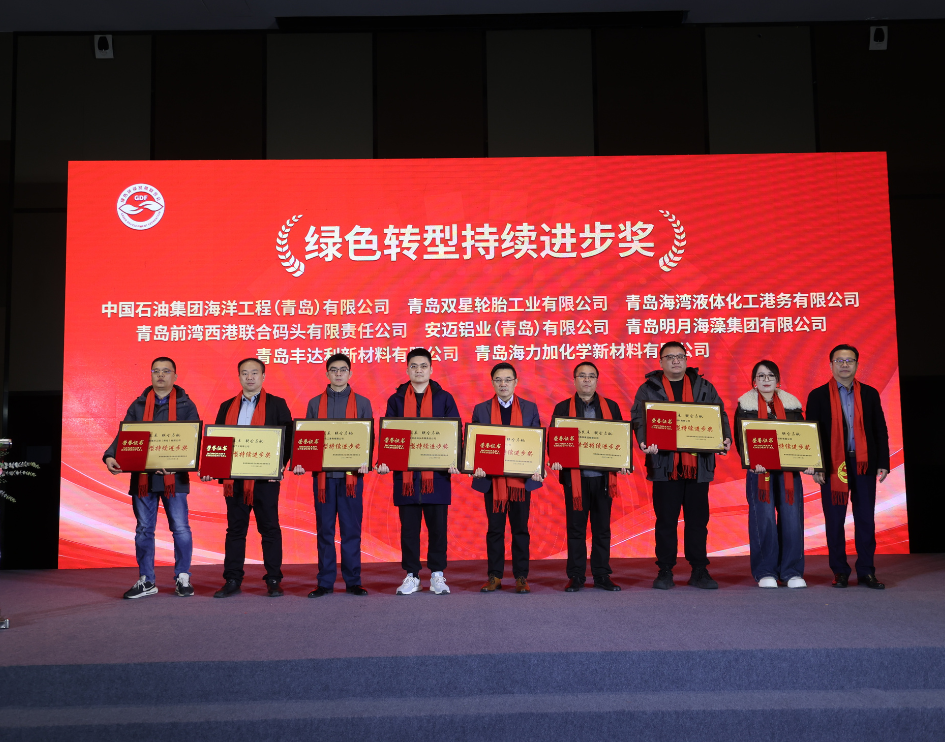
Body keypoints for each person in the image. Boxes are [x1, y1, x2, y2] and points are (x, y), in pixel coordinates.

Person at [631, 342, 731, 590]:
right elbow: (639, 419)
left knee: (698, 521)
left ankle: (699, 569)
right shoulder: (648, 389)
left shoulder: (704, 386)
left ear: (686, 360)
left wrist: (724, 438)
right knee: (666, 520)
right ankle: (665, 570)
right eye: (670, 357)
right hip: (664, 465)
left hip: (699, 465)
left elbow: (719, 415)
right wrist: (644, 441)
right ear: (660, 362)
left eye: (680, 356)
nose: (676, 361)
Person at [103, 357, 199, 599]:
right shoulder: (138, 405)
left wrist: (176, 464)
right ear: (151, 375)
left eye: (166, 371)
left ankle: (183, 577)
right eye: (156, 371)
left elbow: (193, 442)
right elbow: (125, 435)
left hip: (174, 479)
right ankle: (146, 580)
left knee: (181, 528)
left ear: (175, 376)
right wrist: (110, 455)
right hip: (143, 479)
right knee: (144, 529)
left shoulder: (186, 405)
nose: (161, 375)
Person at [203, 357, 293, 598]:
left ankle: (273, 578)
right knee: (235, 530)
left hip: (265, 480)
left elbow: (288, 438)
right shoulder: (227, 406)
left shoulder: (277, 404)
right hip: (235, 481)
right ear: (239, 377)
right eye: (245, 373)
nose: (250, 377)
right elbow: (218, 440)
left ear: (263, 376)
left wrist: (279, 467)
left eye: (254, 373)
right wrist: (212, 467)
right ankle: (232, 579)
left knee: (270, 529)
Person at [377, 348, 461, 595]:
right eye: (414, 366)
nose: (419, 370)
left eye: (423, 366)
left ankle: (437, 574)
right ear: (407, 370)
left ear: (431, 369)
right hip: (407, 477)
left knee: (438, 530)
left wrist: (455, 459)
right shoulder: (396, 399)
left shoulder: (444, 398)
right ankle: (412, 575)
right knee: (409, 531)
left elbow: (455, 433)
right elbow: (389, 435)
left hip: (437, 476)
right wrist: (385, 461)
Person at [805, 344, 890, 589]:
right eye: (839, 360)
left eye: (849, 360)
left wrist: (883, 462)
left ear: (857, 364)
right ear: (831, 365)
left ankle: (866, 571)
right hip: (833, 466)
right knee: (834, 521)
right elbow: (812, 433)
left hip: (864, 465)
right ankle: (840, 571)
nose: (844, 365)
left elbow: (880, 429)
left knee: (865, 519)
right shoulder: (818, 395)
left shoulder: (870, 394)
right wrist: (816, 466)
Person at [293, 353, 372, 598]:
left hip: (351, 479)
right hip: (323, 481)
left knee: (351, 532)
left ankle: (353, 581)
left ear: (350, 373)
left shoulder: (363, 403)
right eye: (334, 370)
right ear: (327, 374)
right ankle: (325, 582)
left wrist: (365, 461)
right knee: (325, 531)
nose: (338, 374)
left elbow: (367, 438)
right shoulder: (315, 403)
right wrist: (301, 462)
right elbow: (307, 439)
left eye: (343, 369)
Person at [550, 361, 630, 592]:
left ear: (597, 380)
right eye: (582, 376)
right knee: (576, 530)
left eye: (591, 376)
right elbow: (554, 440)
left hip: (603, 479)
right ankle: (576, 576)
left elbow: (620, 438)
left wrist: (623, 461)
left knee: (602, 529)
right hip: (575, 479)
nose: (587, 380)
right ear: (574, 380)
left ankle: (602, 575)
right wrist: (556, 457)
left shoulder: (611, 407)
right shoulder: (562, 408)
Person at [734, 360, 813, 589]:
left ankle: (792, 571)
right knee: (764, 519)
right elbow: (741, 439)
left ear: (777, 380)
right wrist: (751, 462)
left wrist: (808, 463)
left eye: (770, 375)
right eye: (761, 376)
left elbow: (803, 438)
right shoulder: (745, 405)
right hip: (760, 472)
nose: (766, 380)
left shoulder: (792, 406)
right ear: (754, 381)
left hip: (789, 473)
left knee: (791, 519)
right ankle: (765, 571)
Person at [470, 362, 543, 594]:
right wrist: (475, 466)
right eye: (498, 380)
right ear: (492, 383)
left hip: (520, 482)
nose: (503, 384)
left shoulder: (530, 408)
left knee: (520, 530)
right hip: (492, 481)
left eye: (508, 379)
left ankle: (521, 576)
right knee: (495, 530)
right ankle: (495, 576)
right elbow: (474, 445)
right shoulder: (481, 409)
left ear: (516, 382)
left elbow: (536, 442)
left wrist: (537, 466)